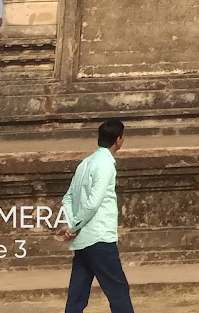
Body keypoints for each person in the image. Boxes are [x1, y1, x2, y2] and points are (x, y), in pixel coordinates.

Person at [59, 118, 134, 313]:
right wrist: (73, 226)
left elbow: (68, 198)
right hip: (99, 237)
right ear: (119, 140)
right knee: (118, 290)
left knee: (77, 296)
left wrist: (71, 225)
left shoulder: (85, 163)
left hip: (83, 239)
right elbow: (93, 202)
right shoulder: (105, 164)